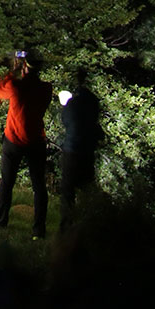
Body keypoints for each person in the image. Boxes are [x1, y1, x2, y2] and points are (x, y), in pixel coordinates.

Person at [0, 50, 54, 239]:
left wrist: (12, 71)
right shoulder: (46, 88)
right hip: (36, 142)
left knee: (7, 183)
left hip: (14, 141)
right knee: (39, 186)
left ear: (24, 65)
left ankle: (1, 222)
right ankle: (38, 230)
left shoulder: (15, 86)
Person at [58, 67, 102, 227]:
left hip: (72, 149)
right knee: (87, 187)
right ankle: (89, 223)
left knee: (68, 191)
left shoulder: (72, 103)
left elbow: (65, 121)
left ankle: (66, 225)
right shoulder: (93, 101)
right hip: (88, 150)